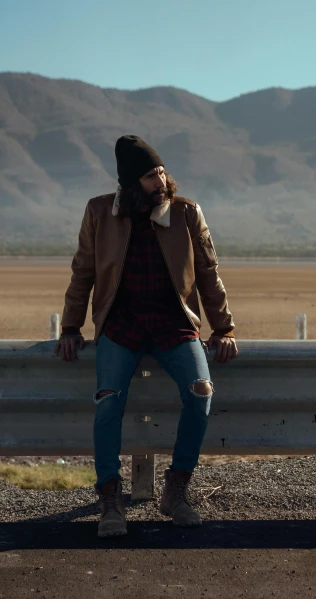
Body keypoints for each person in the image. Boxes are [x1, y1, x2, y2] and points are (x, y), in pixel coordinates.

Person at [55, 135, 238, 538]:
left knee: (201, 391)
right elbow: (83, 272)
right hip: (121, 325)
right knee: (108, 403)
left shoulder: (187, 213)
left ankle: (176, 490)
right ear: (130, 184)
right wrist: (70, 327)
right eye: (150, 176)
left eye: (161, 171)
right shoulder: (100, 212)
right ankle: (110, 500)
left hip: (173, 323)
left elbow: (209, 274)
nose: (161, 181)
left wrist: (223, 328)